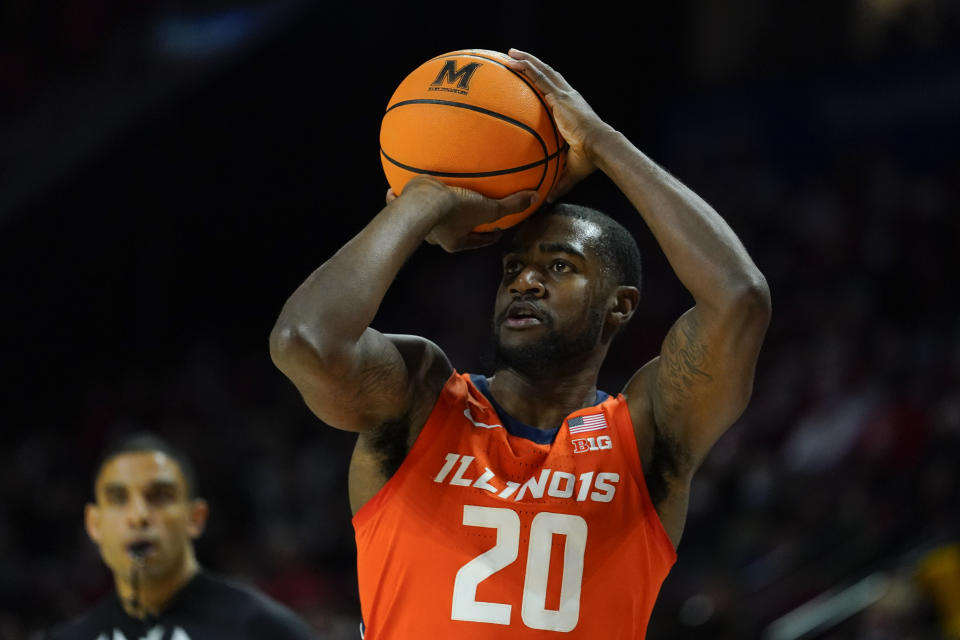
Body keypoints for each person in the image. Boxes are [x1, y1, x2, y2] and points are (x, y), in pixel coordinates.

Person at [270, 48, 771, 639]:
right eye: (513, 268)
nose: (526, 281)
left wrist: (603, 142)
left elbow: (739, 299)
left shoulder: (645, 433)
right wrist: (426, 200)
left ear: (621, 305)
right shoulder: (422, 400)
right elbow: (305, 340)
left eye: (559, 267)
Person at [48, 432, 317, 640]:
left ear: (195, 518)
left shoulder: (265, 630)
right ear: (94, 524)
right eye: (119, 499)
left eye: (159, 496)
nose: (139, 515)